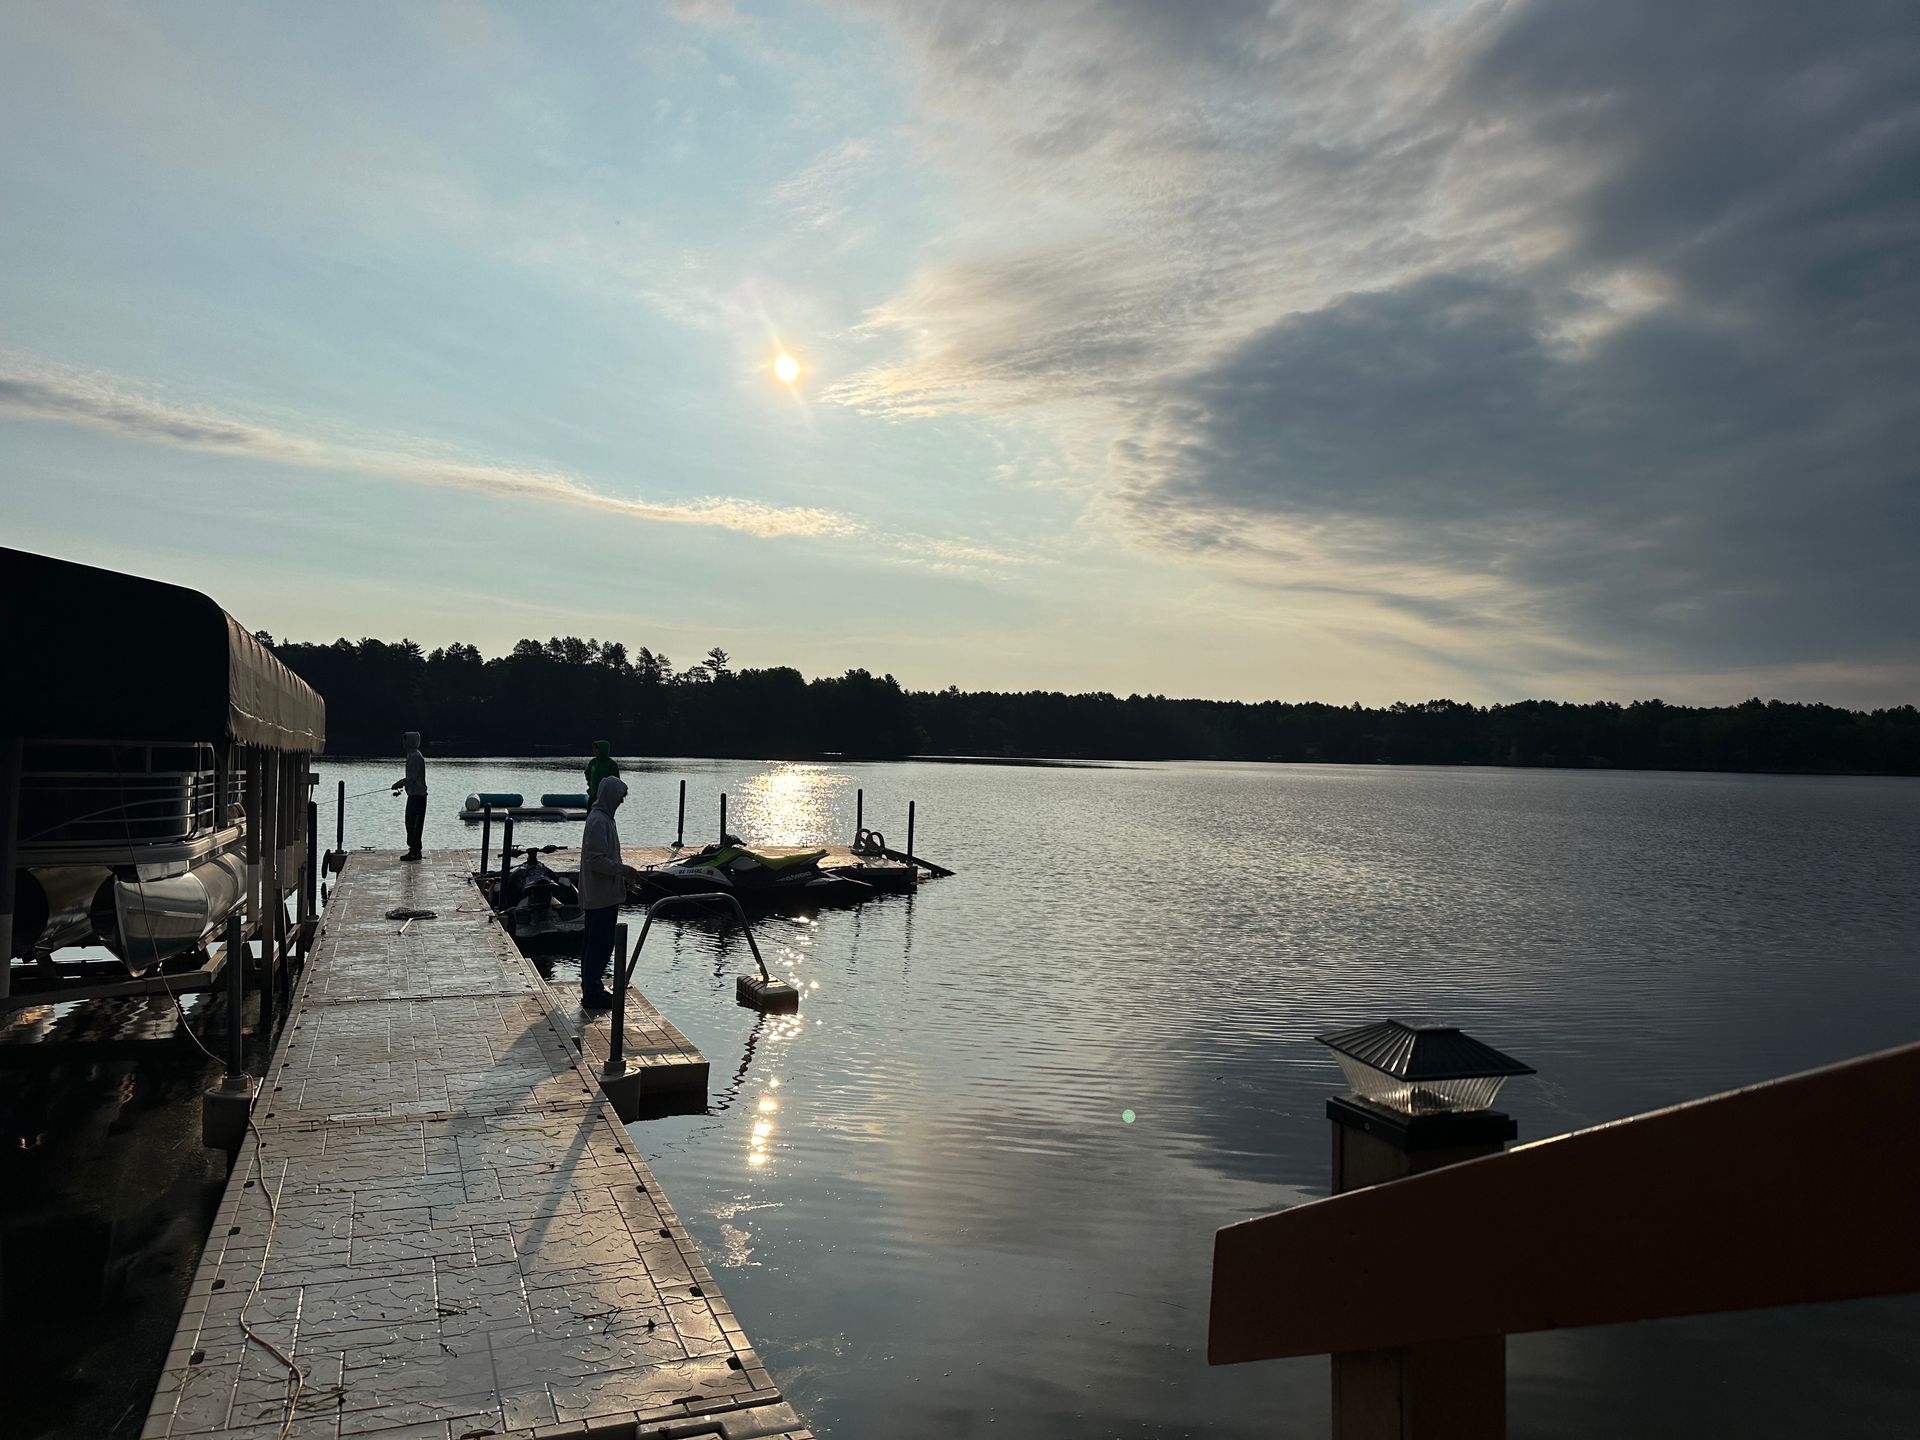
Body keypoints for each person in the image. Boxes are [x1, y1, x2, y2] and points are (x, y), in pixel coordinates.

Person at [577, 775, 631, 1009]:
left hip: (605, 894)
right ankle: (591, 992)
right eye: (620, 798)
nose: (621, 802)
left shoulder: (605, 819)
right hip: (600, 897)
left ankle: (593, 987)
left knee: (596, 943)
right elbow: (595, 860)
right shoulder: (599, 821)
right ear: (610, 796)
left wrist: (623, 876)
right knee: (599, 943)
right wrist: (622, 870)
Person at [390, 731, 427, 861]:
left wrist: (399, 783)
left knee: (414, 824)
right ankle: (414, 849)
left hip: (418, 796)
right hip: (413, 795)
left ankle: (415, 851)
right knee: (409, 823)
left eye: (405, 741)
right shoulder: (411, 755)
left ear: (410, 742)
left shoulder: (415, 757)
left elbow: (412, 778)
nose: (403, 743)